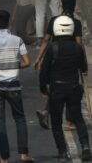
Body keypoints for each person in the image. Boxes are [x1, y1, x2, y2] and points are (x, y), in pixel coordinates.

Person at [0, 9, 33, 163]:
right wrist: (14, 65)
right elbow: (27, 62)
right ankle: (24, 155)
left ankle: (4, 158)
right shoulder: (18, 40)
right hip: (13, 86)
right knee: (20, 119)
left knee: (0, 122)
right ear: (9, 22)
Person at [40, 15, 91, 161]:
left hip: (57, 89)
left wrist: (43, 88)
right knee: (78, 118)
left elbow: (44, 71)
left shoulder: (52, 48)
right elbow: (83, 68)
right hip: (73, 88)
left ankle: (63, 151)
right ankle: (85, 146)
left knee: (56, 122)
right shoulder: (77, 48)